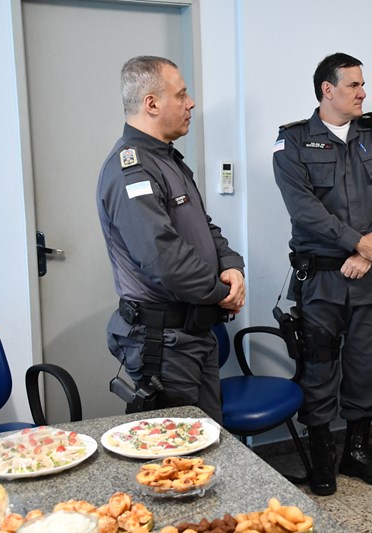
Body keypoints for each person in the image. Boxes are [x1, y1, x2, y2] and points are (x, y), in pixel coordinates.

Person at [272, 52, 372, 496]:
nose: (363, 93)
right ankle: (323, 455)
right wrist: (355, 242)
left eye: (362, 84)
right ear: (327, 90)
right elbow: (304, 210)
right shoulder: (292, 142)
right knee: (319, 367)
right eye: (353, 85)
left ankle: (358, 450)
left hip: (371, 274)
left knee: (367, 366)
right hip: (322, 278)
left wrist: (368, 253)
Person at [97, 56, 245, 424]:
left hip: (193, 332)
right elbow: (162, 257)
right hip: (163, 342)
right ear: (151, 103)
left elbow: (204, 227)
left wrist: (232, 266)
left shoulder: (168, 160)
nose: (191, 102)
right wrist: (220, 293)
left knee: (209, 443)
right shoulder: (130, 168)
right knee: (177, 458)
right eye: (181, 95)